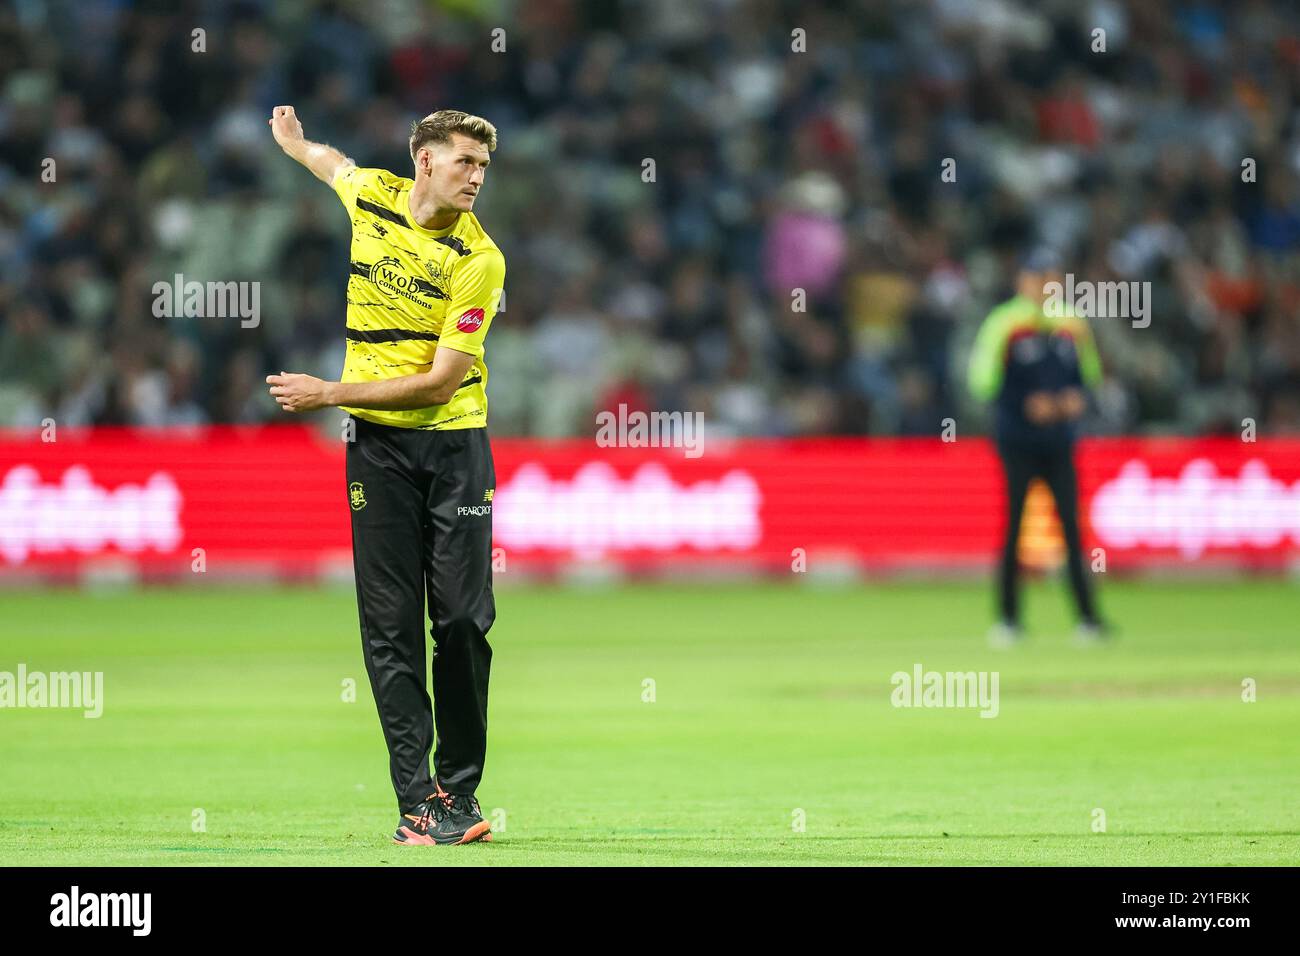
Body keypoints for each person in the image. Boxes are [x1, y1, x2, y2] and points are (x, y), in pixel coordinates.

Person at [265, 105, 505, 845]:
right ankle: (420, 803)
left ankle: (458, 791)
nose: (476, 177)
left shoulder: (479, 260)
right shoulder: (371, 194)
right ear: (423, 159)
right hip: (378, 454)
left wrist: (327, 392)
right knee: (389, 627)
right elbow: (332, 168)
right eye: (465, 161)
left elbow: (438, 384)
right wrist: (299, 145)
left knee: (462, 622)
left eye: (483, 167)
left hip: (453, 447)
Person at [967, 250, 1108, 647]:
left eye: (1054, 277)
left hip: (1060, 443)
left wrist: (1074, 399)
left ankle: (1089, 620)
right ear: (1023, 281)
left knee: (1072, 532)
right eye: (1041, 277)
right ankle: (1008, 621)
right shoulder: (1004, 323)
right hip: (1017, 444)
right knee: (1014, 529)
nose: (1049, 285)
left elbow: (1089, 376)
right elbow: (983, 382)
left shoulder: (1071, 323)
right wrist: (1026, 405)